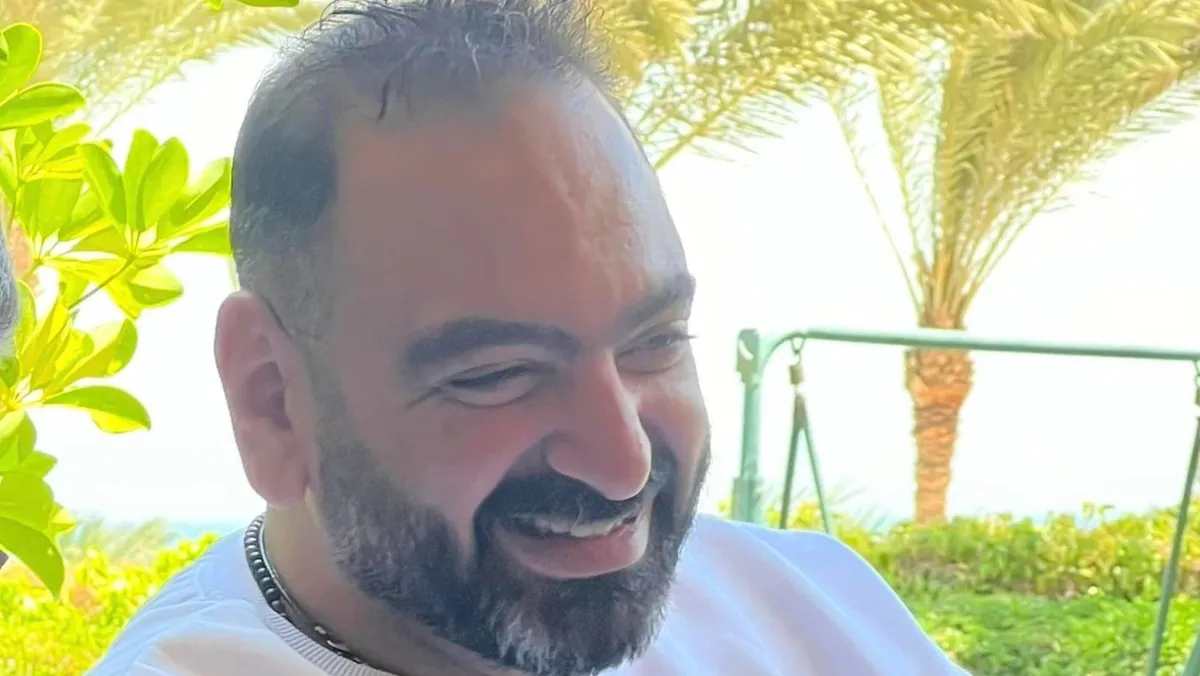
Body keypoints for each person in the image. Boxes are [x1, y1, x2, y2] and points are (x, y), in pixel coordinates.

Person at [89, 0, 968, 674]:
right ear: (271, 401)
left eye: (655, 341)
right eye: (498, 373)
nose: (622, 464)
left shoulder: (809, 603)